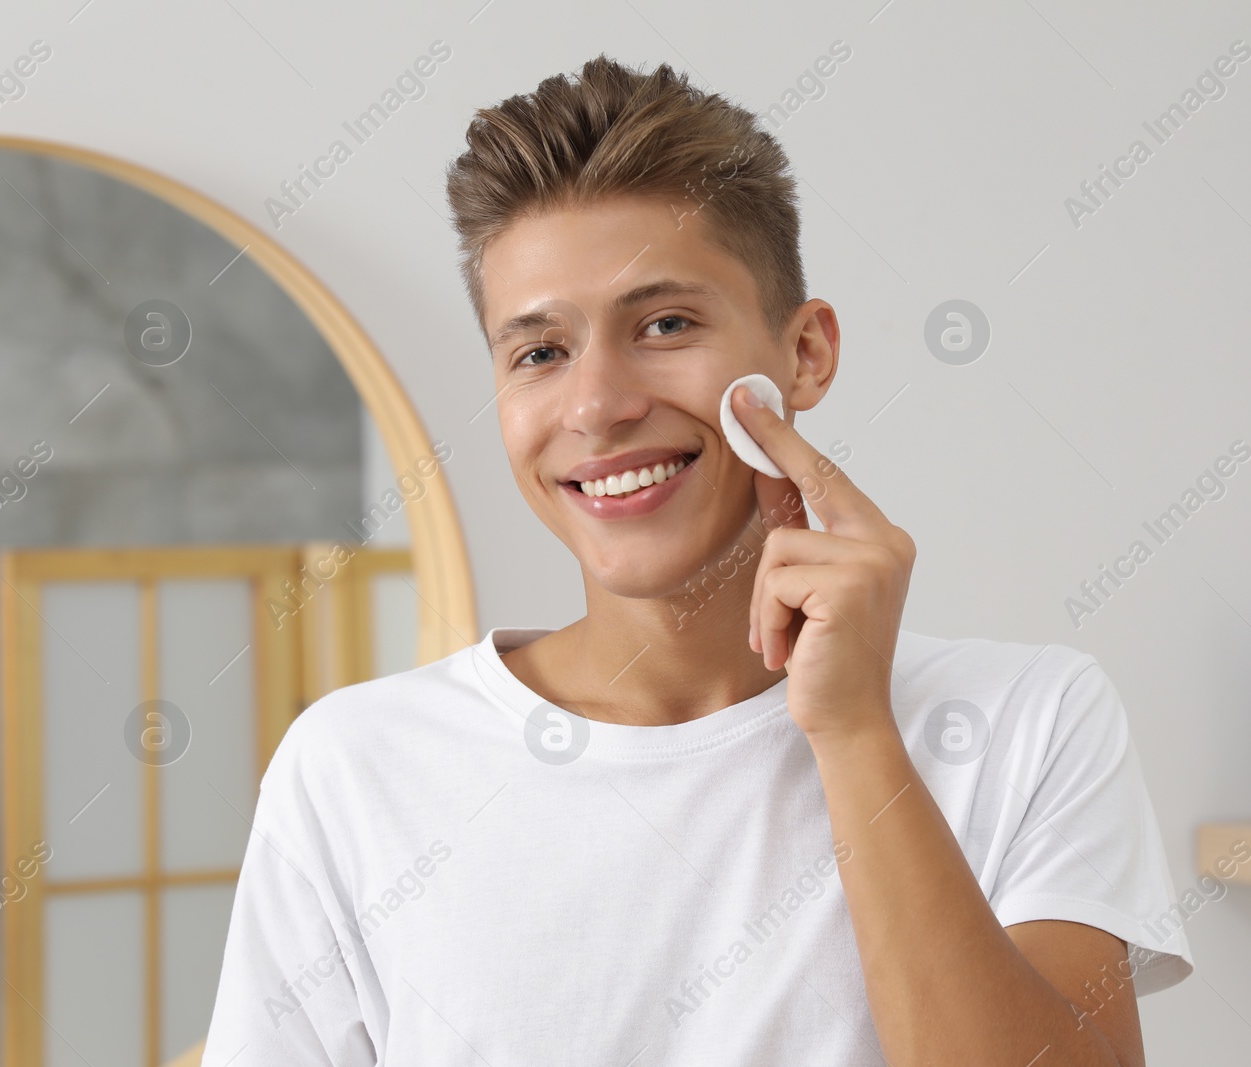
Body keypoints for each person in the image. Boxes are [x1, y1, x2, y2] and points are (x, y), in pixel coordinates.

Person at [201, 53, 1193, 1066]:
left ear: (803, 354)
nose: (596, 404)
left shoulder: (1028, 720)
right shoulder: (355, 768)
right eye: (539, 351)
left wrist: (853, 733)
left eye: (665, 324)